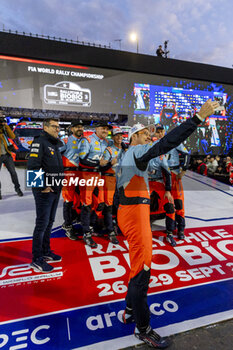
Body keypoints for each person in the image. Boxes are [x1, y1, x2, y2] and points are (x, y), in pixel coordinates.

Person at [117, 99, 218, 348]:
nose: (149, 135)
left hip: (129, 210)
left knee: (137, 265)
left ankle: (129, 311)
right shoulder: (136, 151)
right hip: (133, 214)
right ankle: (143, 329)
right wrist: (197, 118)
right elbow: (166, 143)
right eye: (144, 132)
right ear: (135, 138)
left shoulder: (128, 155)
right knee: (142, 271)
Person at [27, 118, 63, 273]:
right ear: (45, 127)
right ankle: (36, 259)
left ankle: (46, 251)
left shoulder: (54, 143)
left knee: (50, 222)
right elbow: (33, 166)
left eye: (58, 127)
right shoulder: (39, 142)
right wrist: (43, 186)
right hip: (44, 190)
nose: (57, 129)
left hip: (55, 188)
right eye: (54, 126)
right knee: (42, 224)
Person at [78, 121, 112, 248]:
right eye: (103, 128)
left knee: (100, 203)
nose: (105, 131)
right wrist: (98, 163)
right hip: (87, 176)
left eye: (106, 129)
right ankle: (86, 233)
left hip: (99, 176)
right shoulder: (87, 140)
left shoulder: (106, 142)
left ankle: (90, 226)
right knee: (86, 204)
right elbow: (82, 159)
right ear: (96, 129)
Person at [155, 124, 190, 240]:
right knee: (168, 204)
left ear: (164, 131)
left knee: (179, 203)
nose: (159, 134)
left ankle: (181, 229)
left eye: (161, 131)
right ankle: (170, 229)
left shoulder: (173, 141)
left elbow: (186, 154)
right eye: (157, 132)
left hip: (174, 175)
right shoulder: (154, 144)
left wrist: (183, 171)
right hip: (160, 177)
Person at [101, 127, 125, 244]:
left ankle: (119, 225)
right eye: (117, 135)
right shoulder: (109, 150)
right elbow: (102, 167)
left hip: (122, 181)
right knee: (109, 205)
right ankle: (110, 231)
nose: (119, 137)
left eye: (121, 135)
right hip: (110, 179)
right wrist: (111, 163)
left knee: (121, 205)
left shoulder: (126, 149)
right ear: (113, 137)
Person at [61, 120, 84, 240]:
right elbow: (55, 155)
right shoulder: (65, 140)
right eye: (77, 127)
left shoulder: (86, 141)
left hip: (81, 173)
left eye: (81, 126)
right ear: (72, 129)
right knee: (68, 200)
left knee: (80, 198)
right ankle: (67, 225)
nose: (79, 128)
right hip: (68, 173)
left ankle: (76, 218)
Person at [148, 153, 176, 246]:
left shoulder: (160, 156)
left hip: (158, 183)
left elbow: (167, 173)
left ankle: (169, 232)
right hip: (144, 183)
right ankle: (145, 230)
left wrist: (168, 190)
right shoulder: (139, 153)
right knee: (142, 206)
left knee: (170, 206)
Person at [0, 115, 23, 199]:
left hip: (7, 154)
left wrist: (5, 126)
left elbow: (12, 136)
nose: (2, 123)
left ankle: (18, 189)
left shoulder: (4, 129)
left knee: (13, 173)